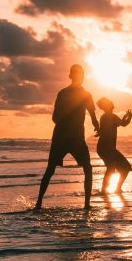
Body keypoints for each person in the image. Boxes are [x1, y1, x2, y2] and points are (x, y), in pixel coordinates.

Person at [35, 64, 99, 211]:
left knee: (87, 168)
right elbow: (55, 117)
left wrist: (97, 127)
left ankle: (87, 205)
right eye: (76, 74)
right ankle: (38, 203)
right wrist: (68, 120)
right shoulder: (62, 93)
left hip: (75, 138)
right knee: (50, 170)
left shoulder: (86, 95)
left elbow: (93, 117)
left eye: (81, 74)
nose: (79, 77)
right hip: (62, 138)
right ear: (70, 76)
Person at [96, 97, 132, 194]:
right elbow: (121, 123)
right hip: (105, 148)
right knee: (113, 168)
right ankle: (104, 190)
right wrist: (128, 117)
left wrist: (127, 116)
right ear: (107, 105)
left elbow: (121, 123)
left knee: (125, 168)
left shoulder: (110, 116)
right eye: (109, 102)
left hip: (108, 148)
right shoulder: (108, 117)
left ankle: (116, 189)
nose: (112, 102)